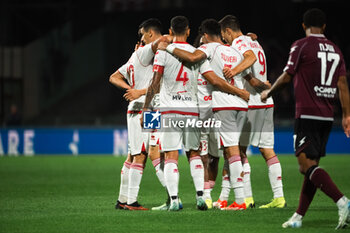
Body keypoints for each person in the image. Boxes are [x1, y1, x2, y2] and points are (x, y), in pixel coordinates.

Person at [142, 16, 250, 211]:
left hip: (170, 109)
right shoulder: (198, 53)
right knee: (194, 153)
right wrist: (239, 92)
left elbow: (155, 82)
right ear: (189, 31)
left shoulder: (162, 52)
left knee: (171, 155)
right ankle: (201, 196)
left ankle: (174, 200)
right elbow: (215, 80)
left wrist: (145, 108)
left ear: (171, 31)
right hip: (192, 110)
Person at [261, 8, 350, 229]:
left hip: (307, 113)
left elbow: (287, 76)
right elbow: (342, 85)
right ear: (325, 27)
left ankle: (342, 201)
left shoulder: (301, 45)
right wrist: (347, 114)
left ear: (303, 26)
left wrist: (268, 92)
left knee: (304, 166)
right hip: (328, 115)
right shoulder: (336, 49)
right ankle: (299, 217)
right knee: (311, 167)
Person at [219, 15, 286, 209]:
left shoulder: (240, 44)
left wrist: (233, 70)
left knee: (238, 150)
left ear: (228, 31)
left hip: (252, 103)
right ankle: (279, 197)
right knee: (267, 150)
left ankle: (247, 198)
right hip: (267, 101)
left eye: (224, 35)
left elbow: (250, 58)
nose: (224, 40)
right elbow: (254, 57)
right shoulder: (252, 40)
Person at [109, 18, 171, 210]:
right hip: (147, 108)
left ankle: (123, 200)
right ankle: (135, 201)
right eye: (143, 36)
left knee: (133, 155)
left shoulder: (135, 56)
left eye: (142, 34)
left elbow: (113, 77)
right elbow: (166, 39)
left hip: (139, 108)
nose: (141, 38)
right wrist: (137, 91)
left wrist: (131, 88)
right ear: (152, 35)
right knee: (147, 154)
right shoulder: (144, 52)